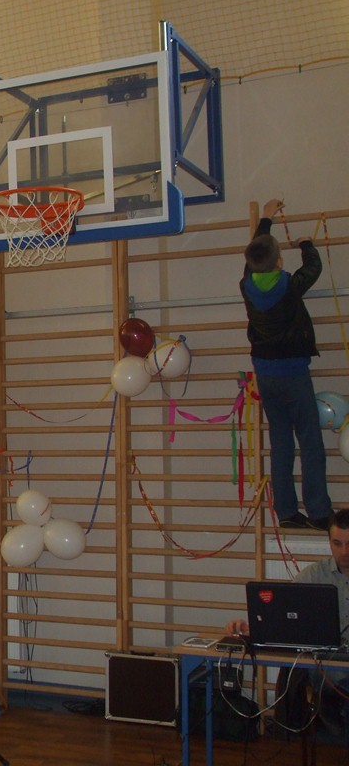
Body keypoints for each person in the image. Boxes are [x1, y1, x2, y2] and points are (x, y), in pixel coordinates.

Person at [239, 198, 332, 530]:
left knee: (280, 443)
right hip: (293, 372)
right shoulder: (289, 286)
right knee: (310, 440)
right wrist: (306, 244)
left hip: (266, 373)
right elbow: (313, 269)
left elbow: (256, 253)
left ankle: (287, 512)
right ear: (279, 261)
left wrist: (266, 219)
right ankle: (319, 512)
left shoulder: (247, 285)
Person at [225, 508, 349, 742]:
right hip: (326, 667)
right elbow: (284, 616)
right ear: (329, 542)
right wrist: (252, 628)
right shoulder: (314, 575)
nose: (344, 551)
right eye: (337, 543)